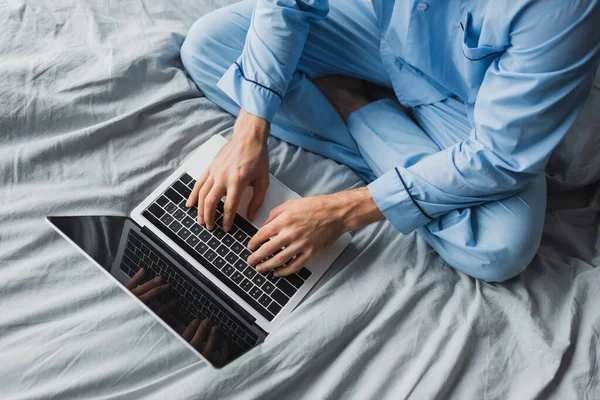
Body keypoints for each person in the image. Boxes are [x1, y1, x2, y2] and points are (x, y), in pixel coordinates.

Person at [179, 0, 600, 282]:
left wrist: (344, 210)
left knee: (499, 248)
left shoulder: (565, 9)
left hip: (477, 102)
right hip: (382, 36)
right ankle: (399, 144)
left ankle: (350, 100)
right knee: (208, 47)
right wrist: (249, 131)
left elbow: (499, 156)